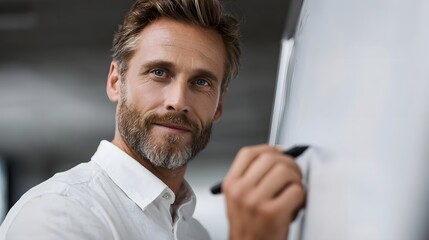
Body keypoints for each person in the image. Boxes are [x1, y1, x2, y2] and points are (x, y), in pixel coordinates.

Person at [0, 0, 305, 239]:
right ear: (116, 82)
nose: (179, 101)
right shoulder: (59, 212)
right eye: (159, 72)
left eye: (201, 82)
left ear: (219, 105)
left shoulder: (195, 234)